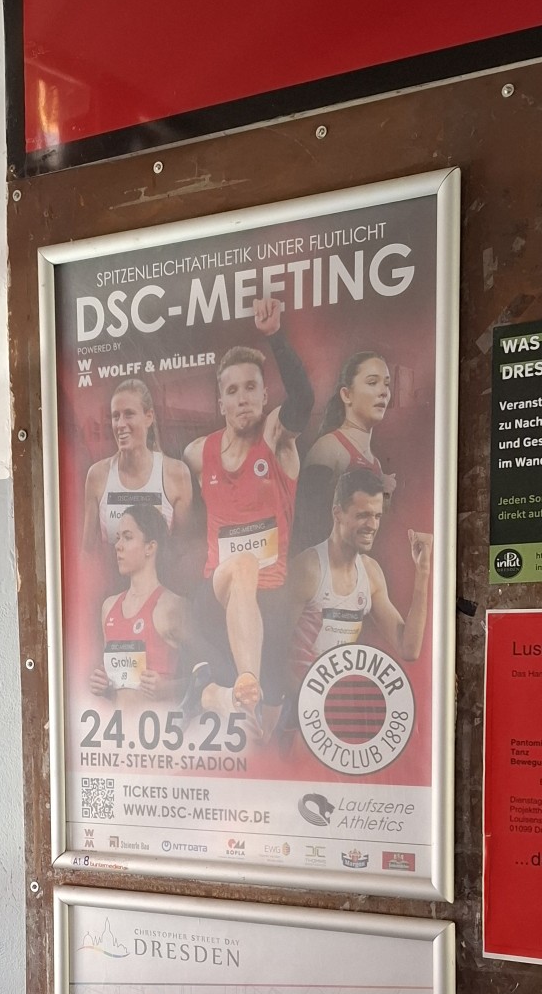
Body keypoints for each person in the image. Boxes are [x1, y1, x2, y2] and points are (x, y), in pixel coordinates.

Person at [182, 298, 313, 729]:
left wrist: (276, 336)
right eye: (233, 391)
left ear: (265, 395)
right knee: (241, 564)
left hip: (268, 603)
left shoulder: (276, 440)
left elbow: (304, 400)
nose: (243, 398)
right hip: (216, 596)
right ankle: (245, 679)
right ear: (220, 401)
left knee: (264, 731)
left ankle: (211, 694)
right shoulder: (197, 454)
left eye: (251, 388)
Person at [287, 466, 433, 684]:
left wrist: (423, 571)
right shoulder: (308, 569)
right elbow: (274, 650)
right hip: (297, 699)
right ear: (337, 513)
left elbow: (408, 648)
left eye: (377, 516)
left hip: (337, 697)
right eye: (363, 515)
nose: (372, 525)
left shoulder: (370, 573)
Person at [292, 351, 396, 555]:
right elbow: (307, 522)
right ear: (346, 395)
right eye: (372, 382)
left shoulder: (375, 462)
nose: (383, 392)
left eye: (386, 384)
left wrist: (386, 495)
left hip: (358, 566)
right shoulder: (328, 449)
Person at [82, 379, 193, 553]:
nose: (120, 424)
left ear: (149, 417)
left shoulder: (175, 473)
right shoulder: (97, 475)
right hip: (111, 571)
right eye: (115, 416)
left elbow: (185, 551)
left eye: (129, 414)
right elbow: (86, 553)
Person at [89, 503, 186, 700]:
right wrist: (103, 685)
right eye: (118, 538)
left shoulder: (172, 606)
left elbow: (209, 677)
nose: (118, 545)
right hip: (118, 720)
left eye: (127, 537)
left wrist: (168, 688)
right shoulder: (109, 607)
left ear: (150, 547)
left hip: (162, 718)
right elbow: (118, 685)